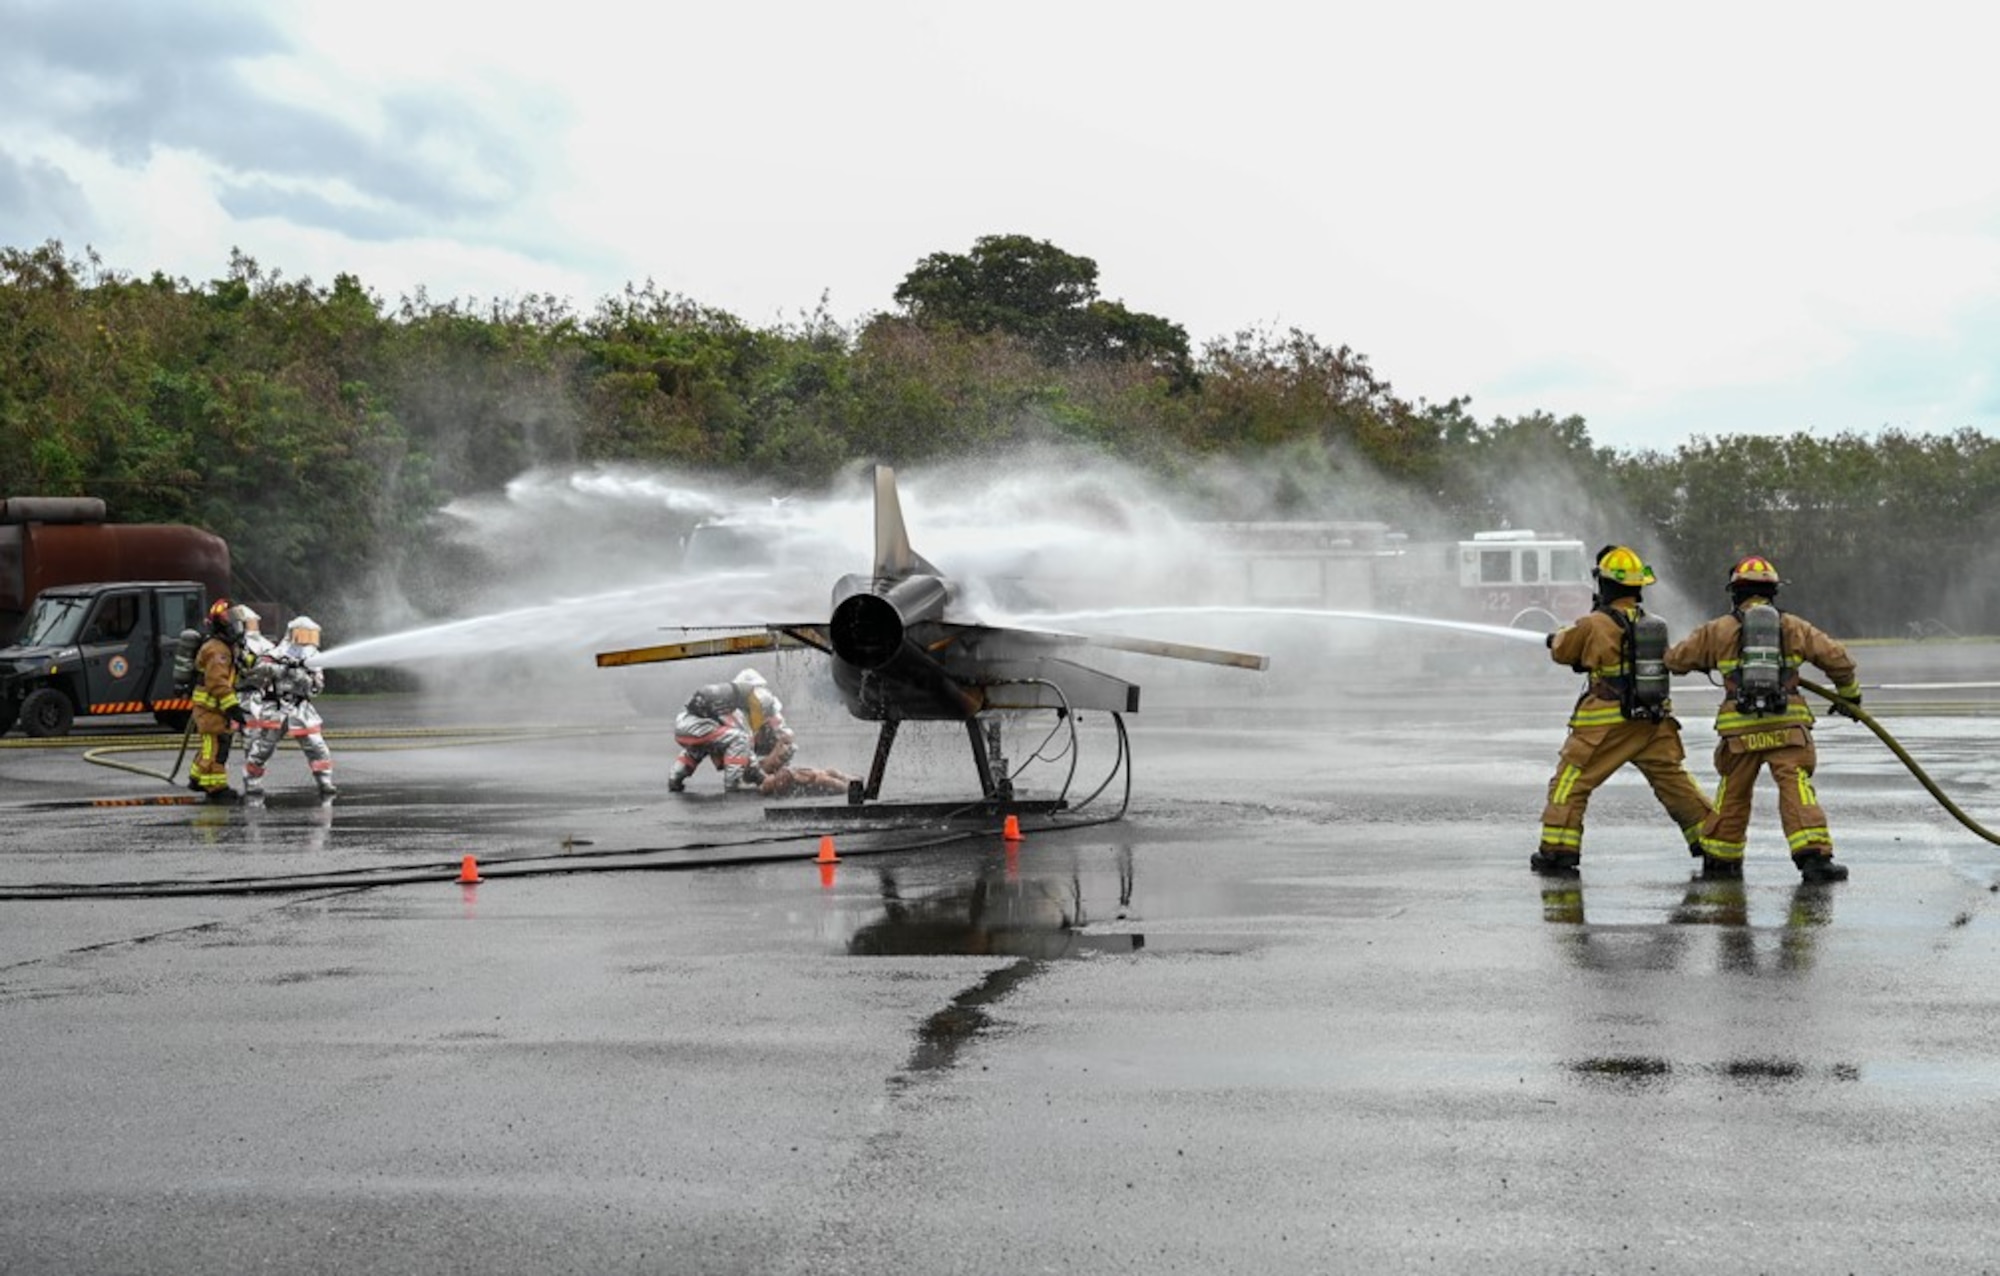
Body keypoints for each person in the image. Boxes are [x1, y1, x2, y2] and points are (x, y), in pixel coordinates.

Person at [1665, 554, 1861, 883]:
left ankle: (1721, 858)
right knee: (1795, 785)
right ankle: (1814, 858)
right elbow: (1839, 659)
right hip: (1786, 726)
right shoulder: (1793, 626)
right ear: (1773, 592)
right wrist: (1849, 694)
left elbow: (1675, 661)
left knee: (1733, 791)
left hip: (1739, 730)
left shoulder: (1717, 630)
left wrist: (1710, 658)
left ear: (1735, 592)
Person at [1531, 546, 1714, 877]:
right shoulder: (1651, 624)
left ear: (1604, 586)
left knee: (1569, 784)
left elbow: (1564, 650)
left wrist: (1554, 638)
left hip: (1606, 726)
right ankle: (1716, 842)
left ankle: (1557, 851)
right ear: (1637, 587)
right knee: (1674, 783)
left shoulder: (1594, 623)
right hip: (1653, 722)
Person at [241, 615, 338, 801]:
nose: (307, 640)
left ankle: (324, 781)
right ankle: (252, 781)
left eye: (310, 636)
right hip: (275, 708)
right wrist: (281, 669)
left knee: (317, 747)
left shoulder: (314, 659)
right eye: (303, 635)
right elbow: (257, 672)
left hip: (300, 709)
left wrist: (301, 675)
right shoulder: (274, 653)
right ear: (292, 634)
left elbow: (316, 689)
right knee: (262, 748)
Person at [668, 668, 786, 793]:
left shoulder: (724, 702)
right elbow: (745, 745)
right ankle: (733, 784)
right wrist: (761, 778)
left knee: (700, 747)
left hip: (686, 725)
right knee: (739, 739)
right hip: (693, 726)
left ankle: (674, 778)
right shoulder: (735, 712)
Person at [187, 598, 249, 802]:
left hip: (213, 709)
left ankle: (196, 778)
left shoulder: (225, 647)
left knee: (210, 745)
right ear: (223, 625)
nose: (237, 627)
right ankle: (216, 788)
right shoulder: (217, 650)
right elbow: (217, 683)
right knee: (215, 749)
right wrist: (234, 708)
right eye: (233, 622)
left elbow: (239, 663)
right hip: (210, 710)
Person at [758, 764, 856, 798]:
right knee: (826, 779)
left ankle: (852, 782)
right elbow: (796, 778)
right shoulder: (779, 782)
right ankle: (852, 787)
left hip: (812, 775)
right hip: (811, 779)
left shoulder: (778, 778)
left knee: (831, 772)